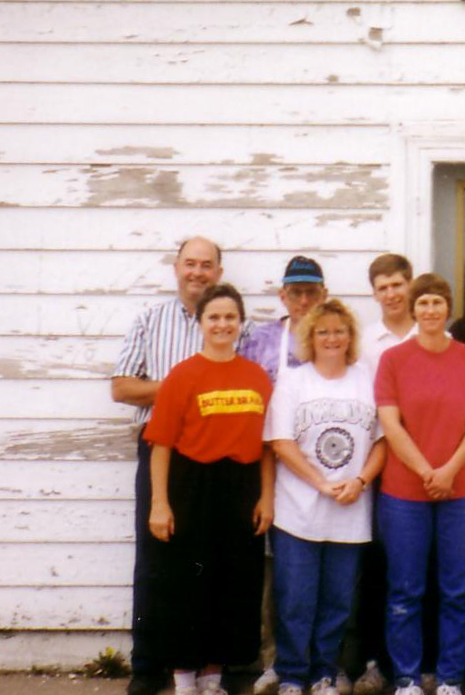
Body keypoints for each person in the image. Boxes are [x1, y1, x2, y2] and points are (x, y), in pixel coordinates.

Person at [111, 237, 249, 695]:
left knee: (214, 566)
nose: (197, 272)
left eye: (206, 265)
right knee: (157, 562)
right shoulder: (151, 319)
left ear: (219, 271)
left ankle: (213, 667)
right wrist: (182, 391)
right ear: (176, 267)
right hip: (164, 451)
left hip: (221, 458)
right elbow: (123, 387)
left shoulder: (234, 324)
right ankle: (149, 666)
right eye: (189, 263)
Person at [143, 283, 275, 695]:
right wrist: (160, 504)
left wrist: (266, 498)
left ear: (240, 323)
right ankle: (185, 680)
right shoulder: (182, 376)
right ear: (200, 324)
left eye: (229, 317)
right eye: (214, 317)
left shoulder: (257, 377)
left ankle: (213, 677)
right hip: (191, 486)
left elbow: (268, 447)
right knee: (187, 586)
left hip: (240, 488)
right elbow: (161, 445)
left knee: (231, 584)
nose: (222, 324)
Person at [376, 274, 465, 695]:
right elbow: (390, 422)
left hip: (463, 490)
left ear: (448, 308)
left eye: (437, 303)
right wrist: (427, 470)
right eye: (421, 303)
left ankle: (450, 678)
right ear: (412, 308)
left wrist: (448, 471)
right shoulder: (393, 359)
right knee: (405, 589)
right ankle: (406, 677)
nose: (429, 311)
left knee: (458, 590)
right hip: (405, 491)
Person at [268, 299, 387, 695]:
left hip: (351, 508)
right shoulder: (294, 380)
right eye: (323, 331)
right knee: (296, 600)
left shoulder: (365, 378)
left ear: (350, 337)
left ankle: (323, 672)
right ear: (310, 337)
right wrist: (320, 483)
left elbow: (382, 441)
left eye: (339, 331)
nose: (332, 338)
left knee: (337, 601)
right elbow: (282, 442)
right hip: (298, 510)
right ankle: (290, 674)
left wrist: (361, 481)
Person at [242, 255, 331, 695]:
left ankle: (321, 665)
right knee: (275, 571)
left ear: (324, 294)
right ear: (282, 296)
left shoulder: (334, 339)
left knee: (317, 571)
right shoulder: (258, 340)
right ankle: (273, 659)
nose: (303, 299)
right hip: (265, 461)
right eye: (295, 292)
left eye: (311, 291)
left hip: (324, 466)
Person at [354, 253, 416, 695]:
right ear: (374, 293)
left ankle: (416, 665)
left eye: (398, 284)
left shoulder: (433, 332)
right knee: (375, 567)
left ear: (410, 285)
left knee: (415, 571)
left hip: (421, 468)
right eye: (383, 287)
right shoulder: (365, 344)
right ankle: (372, 662)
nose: (392, 294)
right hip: (377, 465)